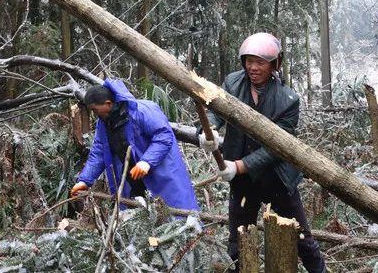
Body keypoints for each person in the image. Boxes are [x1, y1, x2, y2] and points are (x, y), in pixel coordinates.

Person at [199, 32, 326, 272]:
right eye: (249, 61)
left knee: (302, 239)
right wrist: (210, 130)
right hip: (243, 183)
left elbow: (276, 149)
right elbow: (215, 107)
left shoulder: (288, 100)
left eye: (260, 62)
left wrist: (237, 166)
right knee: (238, 240)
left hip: (277, 178)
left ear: (274, 64)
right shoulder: (233, 83)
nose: (253, 67)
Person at [71, 78, 199, 212]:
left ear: (108, 103)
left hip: (163, 173)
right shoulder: (103, 124)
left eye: (95, 110)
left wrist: (146, 162)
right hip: (132, 181)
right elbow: (98, 154)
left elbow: (163, 136)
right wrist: (84, 181)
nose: (95, 114)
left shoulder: (142, 110)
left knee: (176, 214)